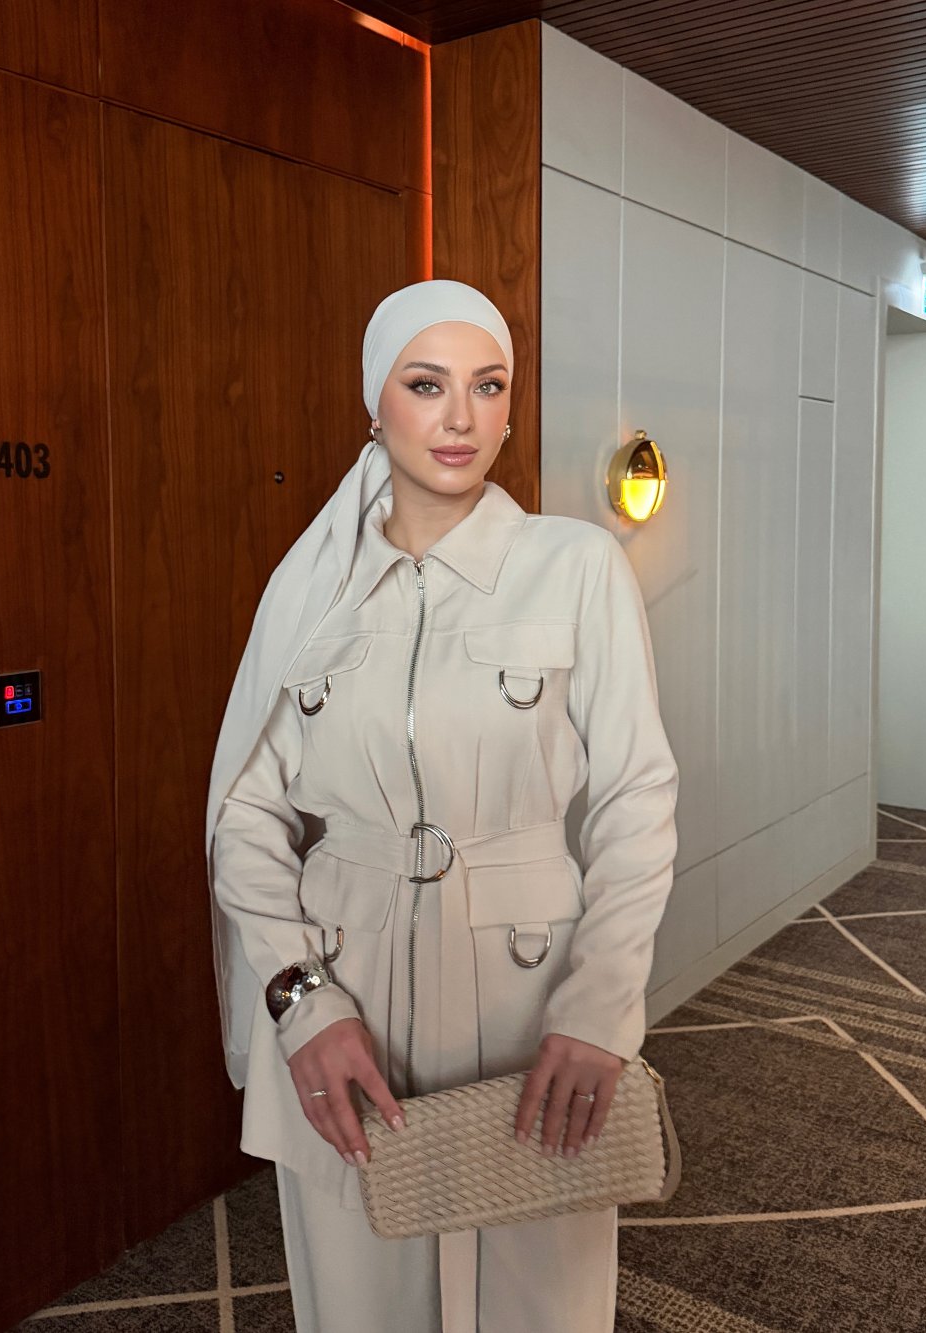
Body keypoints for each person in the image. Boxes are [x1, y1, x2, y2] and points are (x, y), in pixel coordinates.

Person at [206, 279, 679, 1332]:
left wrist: (600, 1007)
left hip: (529, 1000)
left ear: (510, 408)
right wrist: (300, 999)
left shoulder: (577, 567)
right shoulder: (313, 590)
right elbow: (243, 813)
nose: (461, 416)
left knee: (539, 1304)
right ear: (374, 404)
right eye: (426, 385)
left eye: (488, 386)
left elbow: (635, 798)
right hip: (346, 993)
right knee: (359, 1301)